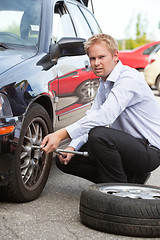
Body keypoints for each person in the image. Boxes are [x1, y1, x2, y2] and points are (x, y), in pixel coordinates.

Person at [41, 33, 160, 184]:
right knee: (67, 159)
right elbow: (92, 117)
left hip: (149, 151)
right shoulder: (104, 83)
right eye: (92, 58)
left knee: (99, 136)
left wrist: (61, 134)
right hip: (126, 147)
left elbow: (105, 116)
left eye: (101, 57)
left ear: (115, 55)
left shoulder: (129, 79)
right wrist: (72, 146)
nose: (96, 63)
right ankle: (130, 179)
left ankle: (118, 191)